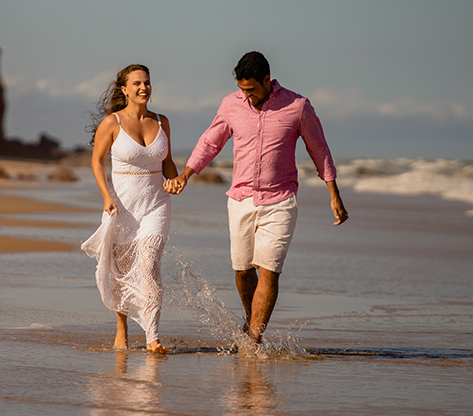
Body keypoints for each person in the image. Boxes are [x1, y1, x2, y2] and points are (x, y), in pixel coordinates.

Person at [165, 51, 348, 343]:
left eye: (251, 89)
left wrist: (333, 193)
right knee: (242, 270)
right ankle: (251, 319)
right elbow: (210, 142)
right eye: (242, 90)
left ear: (267, 80)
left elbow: (319, 149)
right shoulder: (231, 105)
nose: (247, 96)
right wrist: (187, 174)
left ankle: (253, 339)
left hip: (280, 200)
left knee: (269, 270)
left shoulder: (298, 106)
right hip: (241, 199)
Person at [81, 64, 179, 354]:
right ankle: (122, 326)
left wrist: (174, 179)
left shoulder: (162, 122)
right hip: (122, 204)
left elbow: (168, 160)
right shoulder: (112, 123)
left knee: (149, 265)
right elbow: (97, 161)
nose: (143, 88)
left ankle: (153, 337)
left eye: (146, 82)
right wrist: (105, 196)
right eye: (136, 83)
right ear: (124, 90)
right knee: (122, 271)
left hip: (156, 204)